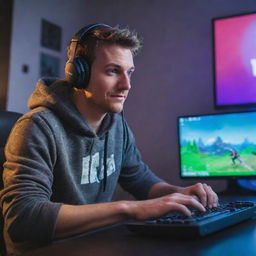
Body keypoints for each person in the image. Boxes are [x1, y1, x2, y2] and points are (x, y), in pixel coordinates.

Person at [0, 23, 218, 255]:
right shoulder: (37, 127)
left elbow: (141, 180)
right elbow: (23, 219)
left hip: (93, 245)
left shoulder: (116, 125)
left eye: (129, 72)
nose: (127, 85)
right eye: (113, 71)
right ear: (79, 74)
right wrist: (129, 209)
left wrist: (179, 194)